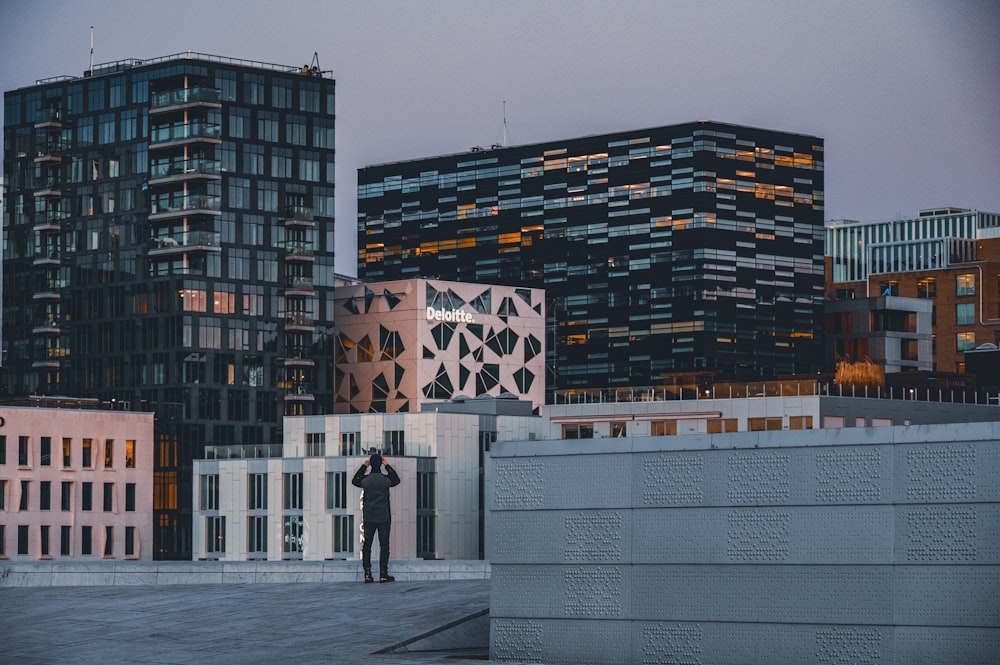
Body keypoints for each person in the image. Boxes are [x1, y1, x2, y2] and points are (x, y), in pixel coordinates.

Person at [351, 453, 401, 583]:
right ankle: (383, 574)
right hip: (383, 517)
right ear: (381, 464)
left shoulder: (366, 481)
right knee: (384, 546)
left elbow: (355, 480)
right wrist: (387, 465)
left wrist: (364, 466)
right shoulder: (385, 480)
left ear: (371, 464)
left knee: (367, 546)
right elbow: (396, 479)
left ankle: (367, 573)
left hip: (369, 517)